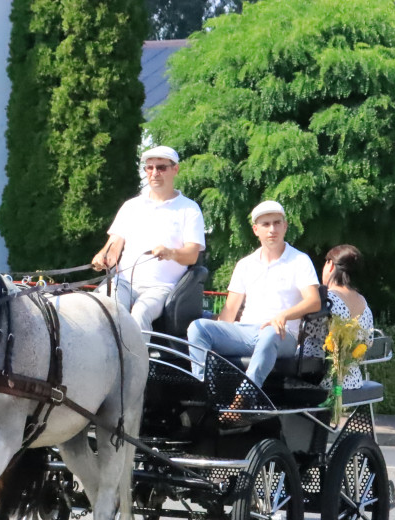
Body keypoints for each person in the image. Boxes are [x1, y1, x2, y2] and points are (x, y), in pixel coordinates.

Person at [187, 200, 320, 389]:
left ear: (285, 226)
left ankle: (247, 393)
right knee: (198, 327)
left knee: (269, 332)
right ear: (256, 230)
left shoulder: (299, 260)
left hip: (282, 335)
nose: (272, 229)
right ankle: (203, 389)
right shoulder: (245, 264)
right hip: (246, 332)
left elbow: (314, 301)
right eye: (266, 224)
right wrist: (219, 335)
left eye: (277, 223)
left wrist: (283, 315)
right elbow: (230, 310)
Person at [91, 145, 206, 331]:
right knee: (100, 307)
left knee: (140, 313)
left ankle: (138, 361)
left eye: (161, 167)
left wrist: (170, 253)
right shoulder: (131, 206)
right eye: (149, 168)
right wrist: (103, 258)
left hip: (162, 287)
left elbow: (192, 256)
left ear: (175, 169)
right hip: (124, 282)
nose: (154, 173)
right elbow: (113, 246)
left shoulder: (189, 209)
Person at [303, 244, 374, 389]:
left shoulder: (325, 300)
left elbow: (305, 332)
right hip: (352, 380)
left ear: (330, 265)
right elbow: (368, 342)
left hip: (318, 379)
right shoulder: (364, 303)